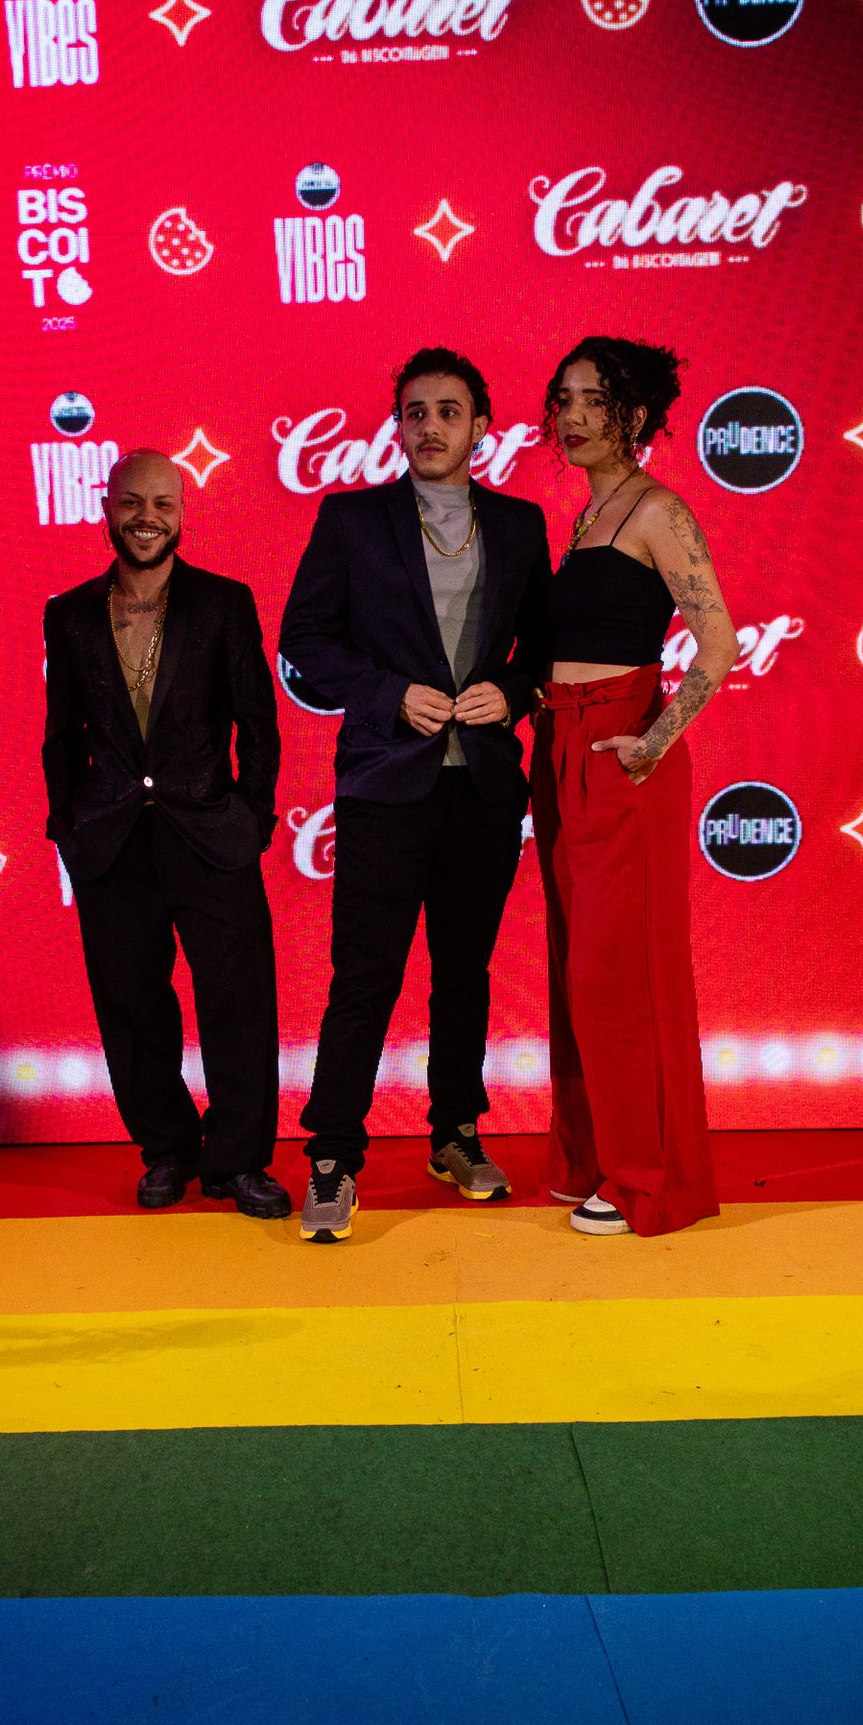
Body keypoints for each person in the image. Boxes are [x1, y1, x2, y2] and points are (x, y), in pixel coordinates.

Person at [279, 347, 551, 1242]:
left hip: (482, 787)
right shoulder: (352, 518)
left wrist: (511, 691)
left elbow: (541, 649)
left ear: (482, 428)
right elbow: (305, 641)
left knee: (464, 973)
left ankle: (456, 1132)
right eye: (414, 411)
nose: (429, 426)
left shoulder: (519, 525)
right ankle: (332, 1155)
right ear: (398, 426)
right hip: (385, 784)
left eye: (448, 411)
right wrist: (388, 691)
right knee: (365, 976)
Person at [41, 449, 290, 1217]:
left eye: (163, 504)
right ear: (106, 509)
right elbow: (60, 734)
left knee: (238, 1002)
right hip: (111, 841)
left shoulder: (223, 602)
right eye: (131, 503)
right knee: (131, 1004)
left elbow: (258, 722)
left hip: (211, 833)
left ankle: (238, 1160)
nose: (146, 518)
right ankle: (168, 1149)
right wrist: (68, 828)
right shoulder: (69, 613)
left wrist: (251, 818)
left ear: (182, 514)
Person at [532, 337, 737, 1238]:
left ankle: (648, 1176)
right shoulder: (586, 517)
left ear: (638, 415)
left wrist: (654, 739)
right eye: (564, 399)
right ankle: (596, 1154)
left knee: (621, 975)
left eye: (594, 400)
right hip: (562, 747)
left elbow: (719, 640)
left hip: (623, 751)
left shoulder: (659, 510)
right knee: (579, 969)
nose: (573, 417)